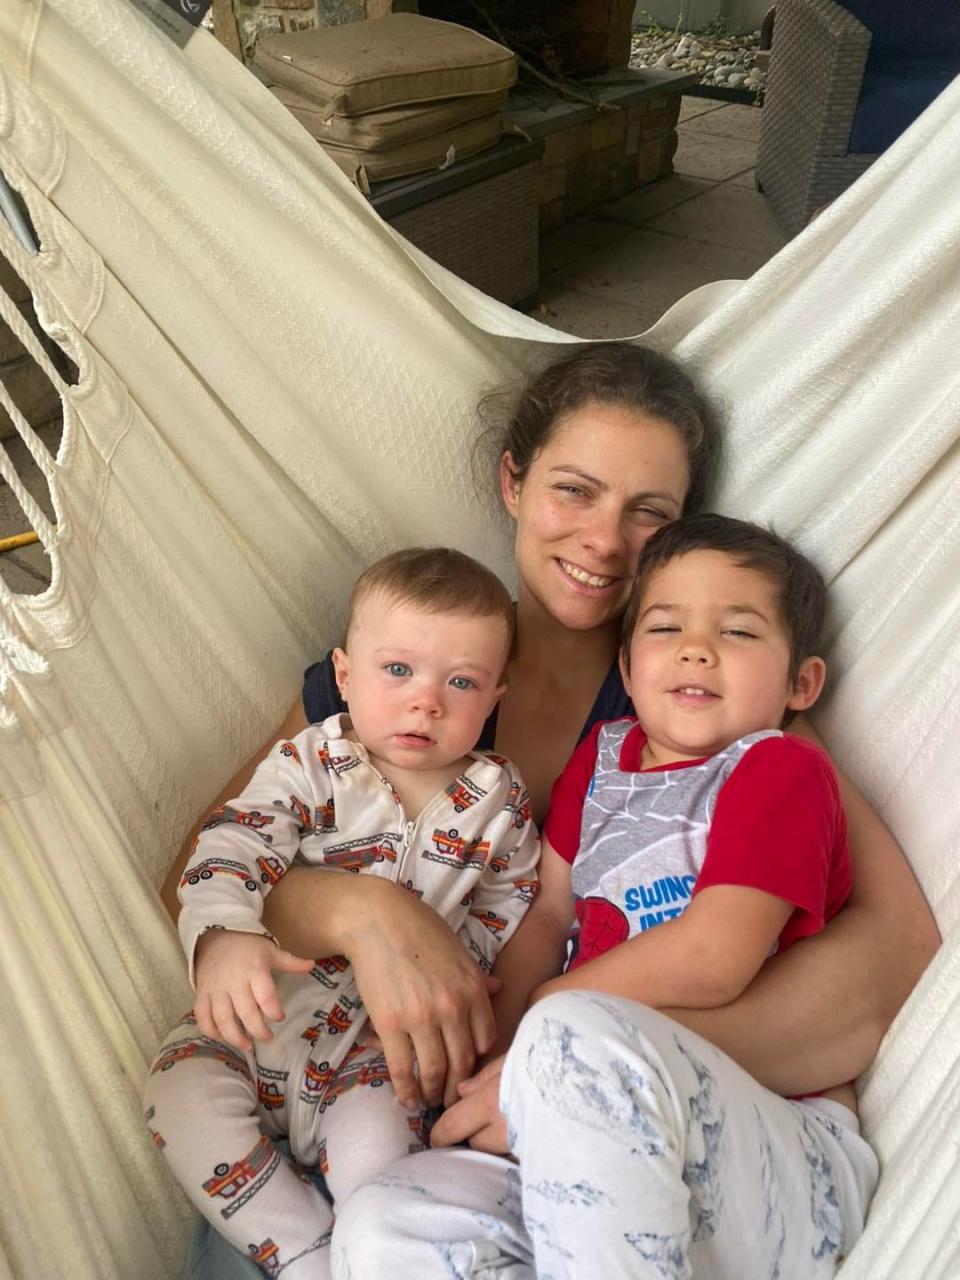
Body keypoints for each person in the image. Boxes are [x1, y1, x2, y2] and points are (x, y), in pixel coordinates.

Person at [161, 343, 937, 1280]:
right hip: (340, 1101)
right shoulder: (405, 659)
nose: (606, 542)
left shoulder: (706, 722)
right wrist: (363, 912)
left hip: (580, 1113)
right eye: (575, 490)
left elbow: (896, 948)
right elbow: (209, 864)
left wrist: (553, 1075)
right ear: (512, 484)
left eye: (649, 513)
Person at [330, 513, 880, 1278]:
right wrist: (493, 1048)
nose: (696, 648)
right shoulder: (605, 758)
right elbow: (550, 910)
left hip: (775, 1144)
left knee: (573, 1030)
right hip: (592, 1146)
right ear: (626, 667)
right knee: (385, 1221)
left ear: (802, 683)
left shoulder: (778, 770)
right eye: (666, 627)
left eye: (739, 633)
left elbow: (715, 955)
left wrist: (541, 1034)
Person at [146, 548, 539, 1280]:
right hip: (253, 1024)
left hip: (377, 1061)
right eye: (398, 671)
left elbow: (510, 898)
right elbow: (232, 841)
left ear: (495, 698)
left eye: (461, 682)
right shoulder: (311, 764)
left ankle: (368, 1257)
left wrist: (465, 973)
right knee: (177, 1090)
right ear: (345, 676)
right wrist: (226, 933)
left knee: (383, 1178)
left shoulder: (500, 801)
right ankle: (306, 1257)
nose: (428, 701)